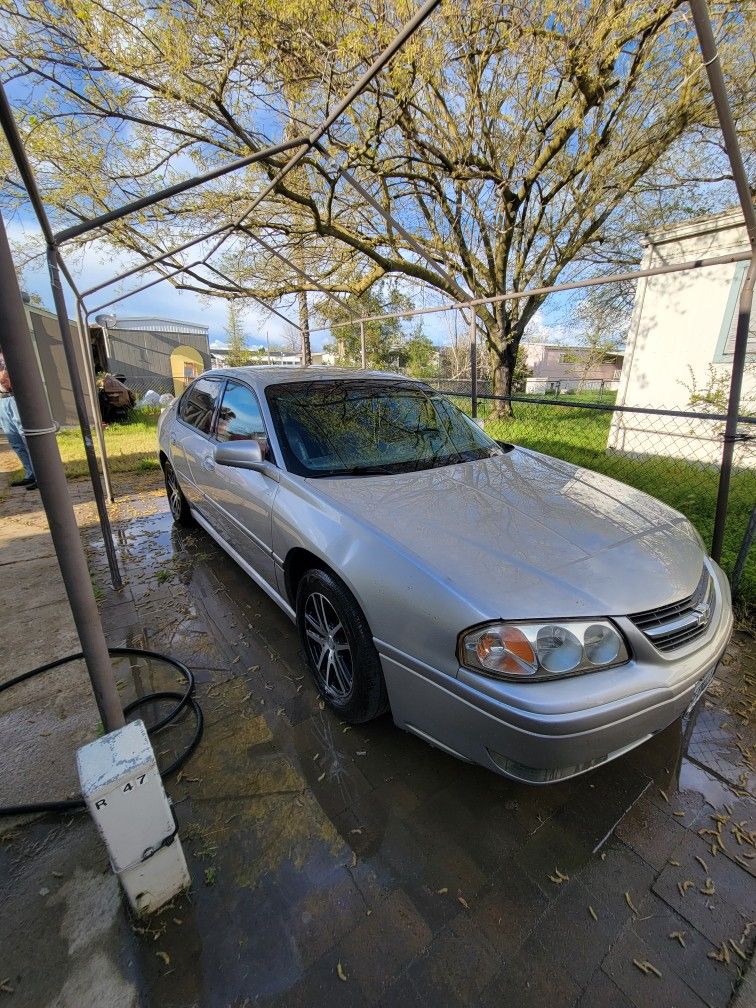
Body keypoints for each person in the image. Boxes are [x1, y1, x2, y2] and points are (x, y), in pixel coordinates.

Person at [0, 352, 36, 490]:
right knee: (15, 441)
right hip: (2, 400)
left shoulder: (7, 357)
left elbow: (6, 379)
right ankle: (30, 473)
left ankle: (41, 476)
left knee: (26, 437)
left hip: (14, 397)